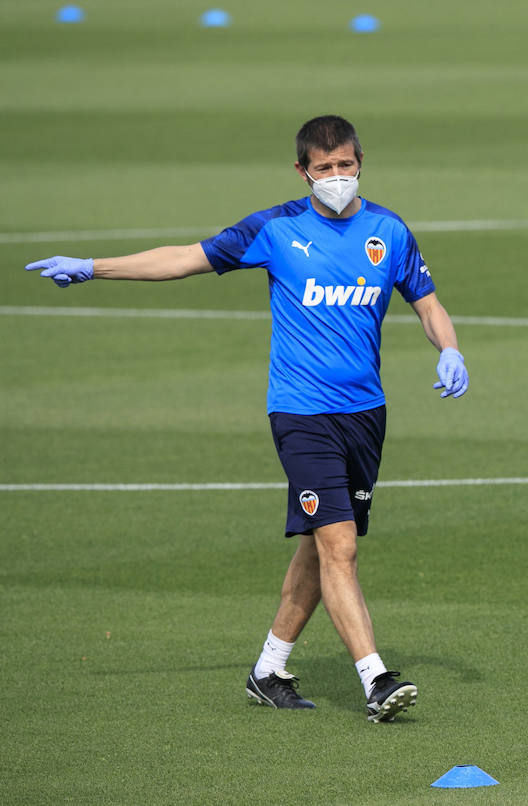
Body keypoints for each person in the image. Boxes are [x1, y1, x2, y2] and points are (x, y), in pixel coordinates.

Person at [25, 115, 469, 723]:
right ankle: (376, 679)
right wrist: (95, 266)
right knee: (339, 545)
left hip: (366, 415)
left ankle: (268, 670)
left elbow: (427, 302)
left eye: (346, 165)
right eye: (324, 169)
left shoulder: (388, 232)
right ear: (302, 171)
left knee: (321, 549)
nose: (337, 178)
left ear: (361, 162)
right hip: (300, 413)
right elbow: (186, 258)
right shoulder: (276, 229)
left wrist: (448, 347)